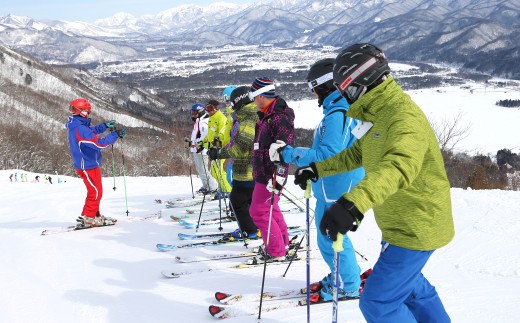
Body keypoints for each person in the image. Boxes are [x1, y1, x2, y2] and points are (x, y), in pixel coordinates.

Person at [294, 43, 454, 322]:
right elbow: (357, 153)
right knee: (411, 288)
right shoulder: (374, 112)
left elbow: (399, 166)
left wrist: (352, 203)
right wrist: (317, 168)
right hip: (398, 222)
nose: (343, 95)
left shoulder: (402, 117)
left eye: (345, 89)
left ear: (359, 82)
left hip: (416, 225)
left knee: (378, 303)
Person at [269, 58, 365, 301]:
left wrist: (288, 154)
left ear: (326, 85)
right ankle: (341, 276)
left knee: (332, 236)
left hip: (338, 184)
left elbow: (330, 154)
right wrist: (309, 171)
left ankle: (347, 284)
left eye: (314, 87)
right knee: (327, 236)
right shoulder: (337, 110)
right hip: (330, 184)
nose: (313, 93)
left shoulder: (339, 114)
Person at [249, 77, 295, 262]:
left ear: (262, 95)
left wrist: (279, 176)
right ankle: (282, 244)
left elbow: (285, 149)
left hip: (270, 175)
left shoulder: (279, 118)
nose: (253, 100)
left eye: (254, 95)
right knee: (271, 208)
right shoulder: (267, 116)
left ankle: (275, 251)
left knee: (258, 211)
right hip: (264, 172)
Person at [208, 86, 260, 241]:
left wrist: (219, 153)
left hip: (247, 167)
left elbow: (241, 145)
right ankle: (253, 227)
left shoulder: (247, 118)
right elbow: (228, 137)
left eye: (231, 102)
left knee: (238, 200)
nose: (229, 105)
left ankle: (250, 230)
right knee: (244, 200)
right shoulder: (240, 116)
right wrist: (218, 149)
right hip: (243, 165)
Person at [66, 98, 126, 228]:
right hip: (86, 166)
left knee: (96, 191)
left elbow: (90, 131)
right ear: (81, 111)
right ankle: (89, 218)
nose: (88, 112)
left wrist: (104, 127)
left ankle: (93, 215)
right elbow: (99, 144)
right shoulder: (80, 129)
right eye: (87, 110)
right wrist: (115, 135)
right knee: (95, 192)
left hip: (90, 164)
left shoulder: (77, 125)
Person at [205, 99, 232, 200]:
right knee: (214, 172)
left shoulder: (221, 118)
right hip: (213, 149)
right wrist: (200, 144)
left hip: (221, 149)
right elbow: (210, 136)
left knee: (221, 171)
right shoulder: (211, 119)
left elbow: (221, 134)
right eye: (206, 108)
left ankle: (227, 191)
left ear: (216, 108)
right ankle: (222, 188)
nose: (208, 111)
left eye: (210, 108)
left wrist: (216, 147)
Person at [188, 103, 218, 195]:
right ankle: (206, 186)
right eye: (192, 112)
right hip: (196, 149)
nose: (193, 114)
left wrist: (197, 145)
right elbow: (196, 136)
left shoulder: (204, 122)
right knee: (200, 169)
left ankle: (212, 187)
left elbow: (204, 137)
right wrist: (190, 143)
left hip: (201, 150)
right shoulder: (198, 121)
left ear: (200, 112)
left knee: (204, 170)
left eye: (195, 112)